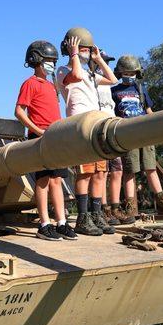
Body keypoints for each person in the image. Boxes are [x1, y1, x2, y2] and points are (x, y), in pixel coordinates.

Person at [56, 27, 117, 236]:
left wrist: (98, 60)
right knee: (85, 173)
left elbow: (112, 79)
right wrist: (74, 54)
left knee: (101, 172)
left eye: (87, 49)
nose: (86, 52)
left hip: (96, 124)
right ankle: (82, 218)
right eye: (82, 48)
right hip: (80, 126)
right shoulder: (63, 71)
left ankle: (96, 213)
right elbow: (75, 75)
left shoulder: (91, 73)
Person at [15, 40, 77, 241]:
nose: (51, 64)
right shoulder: (29, 83)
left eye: (53, 61)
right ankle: (44, 224)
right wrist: (37, 130)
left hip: (55, 135)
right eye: (48, 61)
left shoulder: (52, 85)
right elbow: (19, 111)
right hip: (40, 136)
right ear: (36, 61)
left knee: (57, 180)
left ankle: (61, 222)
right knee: (42, 180)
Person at [111, 55, 163, 217]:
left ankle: (162, 201)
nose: (129, 76)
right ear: (119, 73)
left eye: (132, 73)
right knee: (130, 171)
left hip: (146, 133)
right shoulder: (113, 91)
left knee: (151, 168)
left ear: (138, 73)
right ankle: (130, 205)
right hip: (127, 135)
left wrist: (158, 127)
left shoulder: (140, 89)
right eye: (125, 73)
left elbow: (149, 112)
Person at [90, 50, 134, 226]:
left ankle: (115, 207)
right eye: (101, 62)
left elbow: (114, 80)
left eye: (106, 62)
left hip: (111, 128)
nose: (104, 65)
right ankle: (104, 208)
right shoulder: (91, 80)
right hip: (98, 129)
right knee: (102, 172)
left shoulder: (108, 83)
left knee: (117, 170)